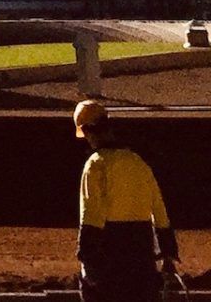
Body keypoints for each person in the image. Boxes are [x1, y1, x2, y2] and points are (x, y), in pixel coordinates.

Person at [74, 99, 178, 302]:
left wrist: (86, 257)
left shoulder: (95, 166)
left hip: (109, 257)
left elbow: (92, 216)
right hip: (142, 257)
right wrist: (168, 253)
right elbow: (160, 211)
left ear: (87, 131)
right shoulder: (138, 162)